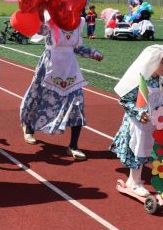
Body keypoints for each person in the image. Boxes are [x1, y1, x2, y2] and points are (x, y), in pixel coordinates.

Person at [20, 9, 104, 160]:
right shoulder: (50, 21)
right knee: (38, 97)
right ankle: (29, 128)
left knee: (77, 104)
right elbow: (38, 31)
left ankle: (73, 146)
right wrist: (39, 14)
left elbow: (77, 48)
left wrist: (93, 53)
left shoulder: (79, 23)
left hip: (70, 69)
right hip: (49, 66)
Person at [111, 45, 163, 197]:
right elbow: (125, 100)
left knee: (147, 152)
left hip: (153, 126)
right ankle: (135, 182)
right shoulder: (141, 81)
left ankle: (133, 180)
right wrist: (139, 113)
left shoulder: (162, 84)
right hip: (137, 125)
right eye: (162, 63)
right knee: (137, 151)